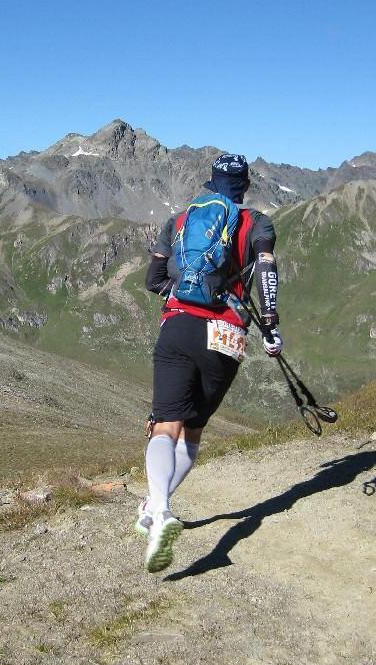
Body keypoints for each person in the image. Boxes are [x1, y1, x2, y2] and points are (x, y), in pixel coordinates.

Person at [138, 153, 281, 573]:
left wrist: (179, 292)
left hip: (179, 325)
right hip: (226, 335)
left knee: (165, 425)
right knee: (193, 435)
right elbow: (268, 272)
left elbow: (152, 281)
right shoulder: (257, 222)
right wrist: (270, 323)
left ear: (210, 183)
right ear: (246, 187)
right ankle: (155, 504)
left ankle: (158, 511)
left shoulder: (180, 221)